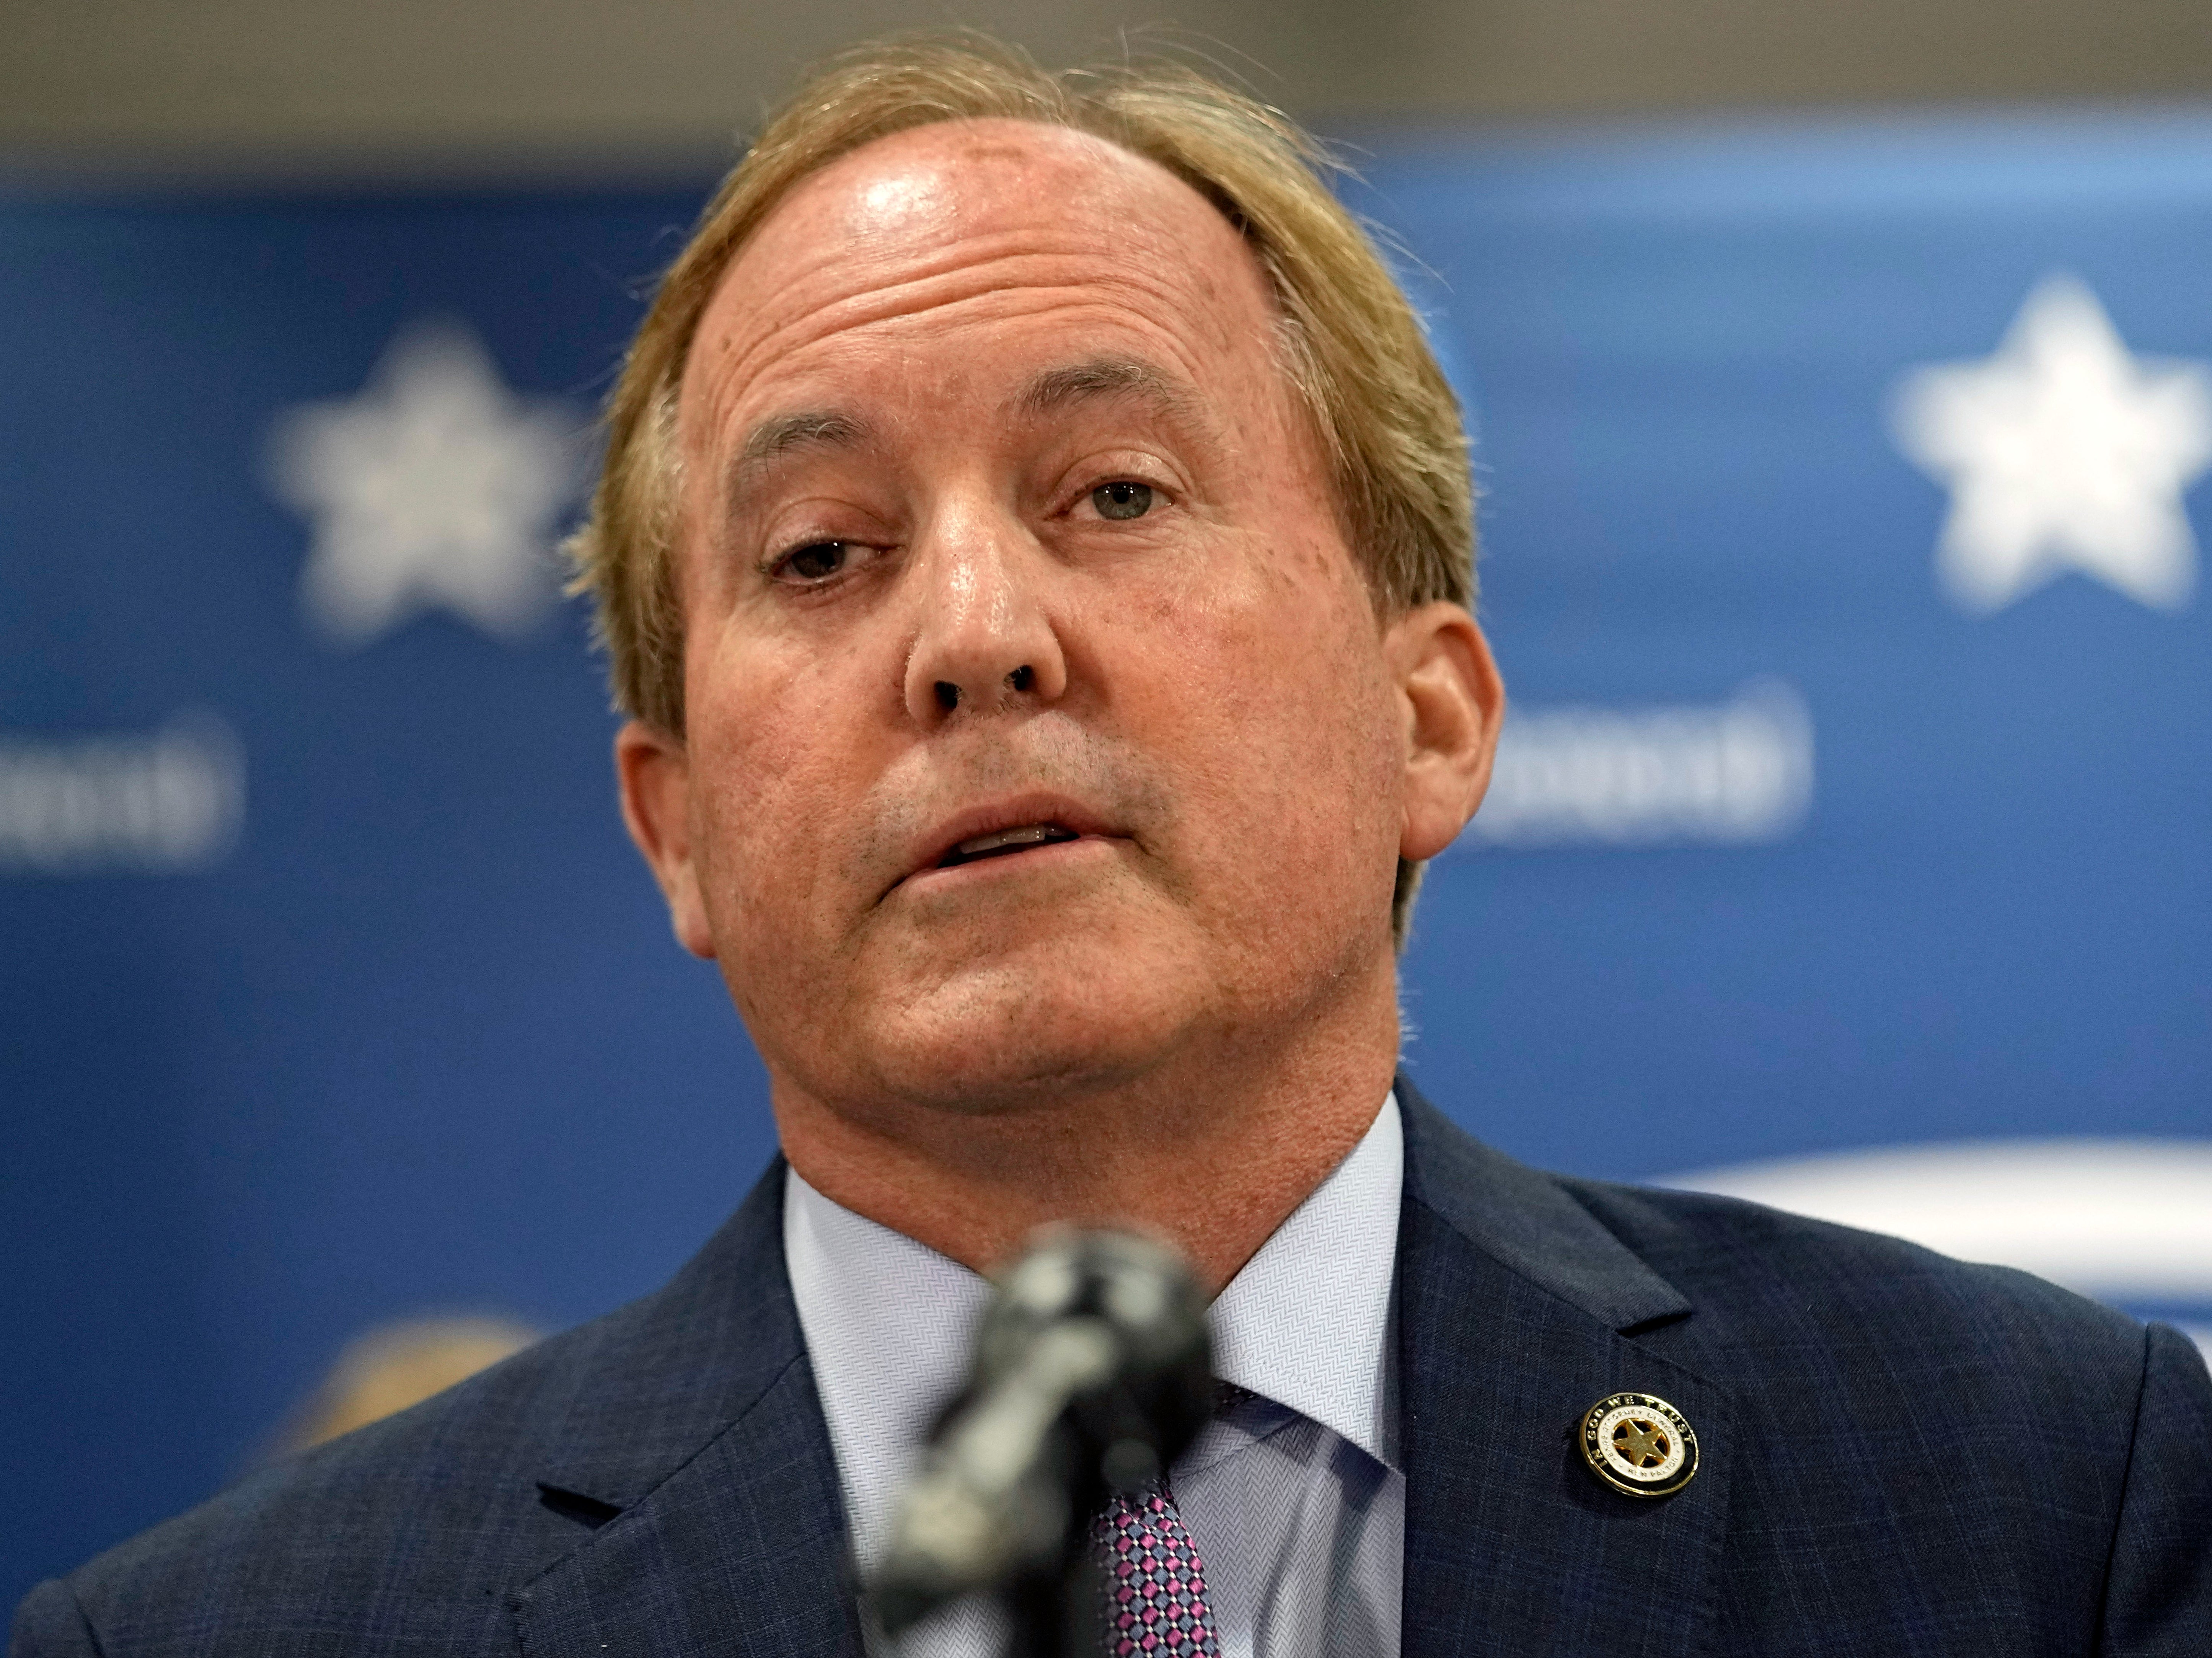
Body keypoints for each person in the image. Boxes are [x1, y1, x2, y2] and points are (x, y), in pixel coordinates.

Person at [13, 33, 2210, 1658]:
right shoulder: (237, 1638)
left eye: (1116, 499)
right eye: (820, 552)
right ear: (673, 830)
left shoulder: (2032, 1496)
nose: (972, 638)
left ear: (1427, 715)